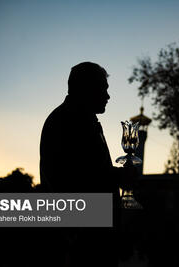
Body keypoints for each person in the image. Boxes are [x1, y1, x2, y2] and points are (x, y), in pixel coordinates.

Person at [39, 61, 136, 266]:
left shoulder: (80, 119)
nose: (108, 96)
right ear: (85, 88)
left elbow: (88, 171)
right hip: (82, 242)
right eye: (103, 89)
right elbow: (73, 179)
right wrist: (118, 177)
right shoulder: (68, 121)